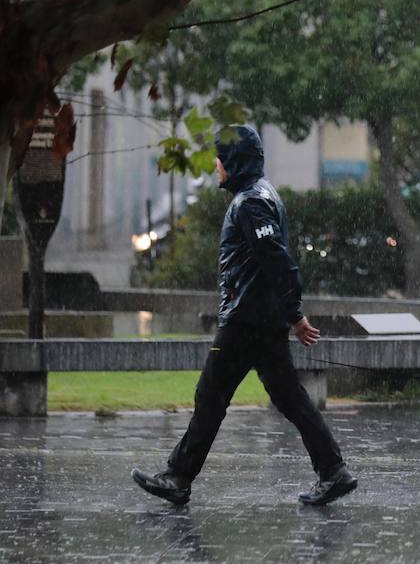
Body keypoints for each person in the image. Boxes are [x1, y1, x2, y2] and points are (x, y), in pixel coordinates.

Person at [132, 125, 356, 507]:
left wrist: (295, 315)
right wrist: (287, 315)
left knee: (211, 396)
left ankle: (178, 477)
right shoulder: (259, 195)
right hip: (260, 320)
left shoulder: (251, 202)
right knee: (290, 399)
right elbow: (271, 262)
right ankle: (333, 471)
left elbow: (277, 261)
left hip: (246, 320)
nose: (216, 165)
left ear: (234, 161)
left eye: (220, 157)